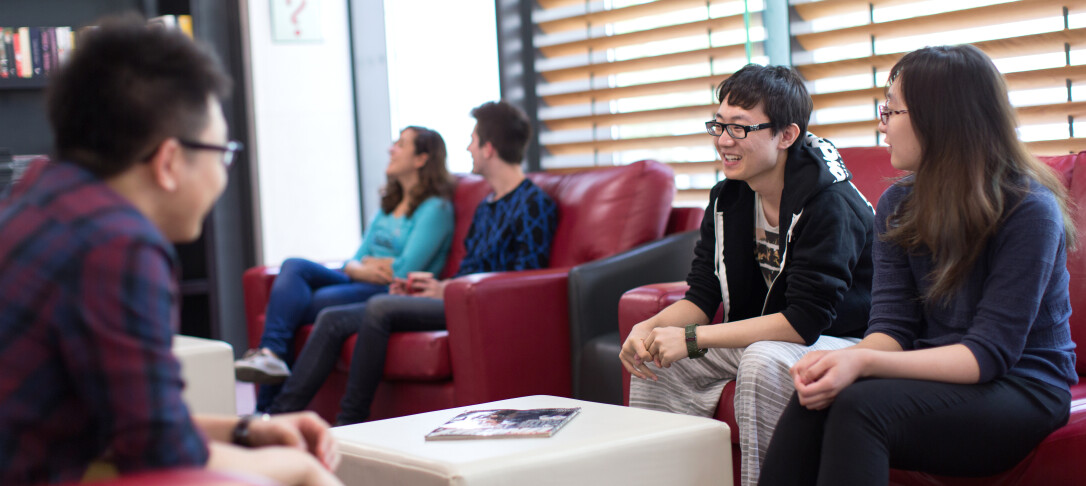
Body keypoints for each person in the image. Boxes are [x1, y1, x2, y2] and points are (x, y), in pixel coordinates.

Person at [0, 16, 340, 485]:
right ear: (170, 161)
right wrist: (303, 470)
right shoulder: (119, 246)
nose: (222, 176)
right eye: (223, 154)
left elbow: (131, 426)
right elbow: (164, 460)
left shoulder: (38, 196)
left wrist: (245, 430)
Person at [758, 45, 1077, 486]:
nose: (882, 125)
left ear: (939, 117)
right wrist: (840, 362)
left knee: (859, 406)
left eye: (891, 111)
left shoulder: (1028, 209)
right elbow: (891, 330)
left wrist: (862, 364)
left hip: (1023, 387)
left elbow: (987, 355)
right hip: (946, 376)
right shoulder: (897, 205)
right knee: (817, 396)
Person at [618, 64, 876, 486]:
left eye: (739, 128)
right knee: (657, 355)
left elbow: (805, 321)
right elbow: (702, 297)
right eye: (718, 125)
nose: (723, 140)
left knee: (761, 359)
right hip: (771, 337)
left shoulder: (830, 203)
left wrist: (691, 339)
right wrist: (649, 327)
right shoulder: (728, 197)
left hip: (847, 341)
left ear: (786, 135)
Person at [265, 100, 558, 425]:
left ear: (488, 149)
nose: (468, 148)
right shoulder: (486, 205)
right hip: (457, 297)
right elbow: (469, 269)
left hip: (480, 305)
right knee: (332, 318)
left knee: (380, 306)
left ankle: (350, 422)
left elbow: (523, 279)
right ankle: (277, 416)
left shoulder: (534, 203)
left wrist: (448, 290)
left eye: (473, 140)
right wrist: (438, 286)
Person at [236, 125, 454, 411]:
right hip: (361, 280)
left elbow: (403, 270)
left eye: (401, 144)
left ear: (421, 159)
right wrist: (362, 268)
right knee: (293, 266)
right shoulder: (388, 206)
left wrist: (363, 266)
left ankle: (266, 409)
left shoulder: (435, 209)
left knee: (301, 305)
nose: (391, 149)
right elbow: (356, 258)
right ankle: (271, 354)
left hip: (388, 291)